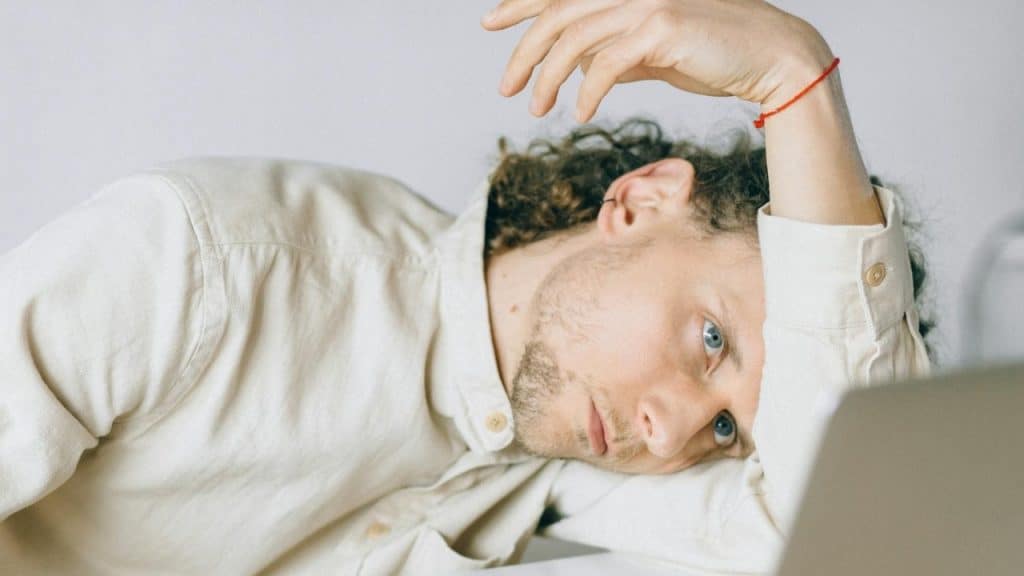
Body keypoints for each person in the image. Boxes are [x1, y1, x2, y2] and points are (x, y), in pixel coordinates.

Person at [0, 0, 931, 574]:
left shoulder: (559, 463)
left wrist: (798, 83)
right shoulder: (207, 264)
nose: (670, 432)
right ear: (641, 200)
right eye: (711, 340)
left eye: (727, 430)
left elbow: (860, 546)